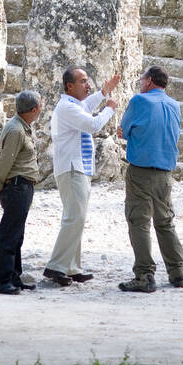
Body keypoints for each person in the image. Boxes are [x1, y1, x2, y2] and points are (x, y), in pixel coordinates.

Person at [43, 66, 119, 287]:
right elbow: (92, 124)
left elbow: (86, 105)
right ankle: (56, 266)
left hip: (79, 167)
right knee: (74, 218)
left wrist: (103, 93)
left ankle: (71, 267)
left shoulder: (73, 105)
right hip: (72, 168)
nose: (88, 85)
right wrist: (109, 108)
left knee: (76, 217)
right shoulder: (66, 107)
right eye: (83, 81)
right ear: (69, 86)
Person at [117, 65, 183, 293]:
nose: (140, 83)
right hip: (166, 172)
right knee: (165, 222)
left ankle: (144, 274)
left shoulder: (139, 101)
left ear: (148, 81)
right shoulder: (175, 105)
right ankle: (177, 272)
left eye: (141, 79)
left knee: (139, 221)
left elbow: (124, 130)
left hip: (141, 171)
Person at [0, 90, 42, 295]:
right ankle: (2, 281)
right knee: (9, 235)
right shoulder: (16, 130)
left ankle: (13, 276)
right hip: (16, 186)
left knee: (17, 234)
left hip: (23, 186)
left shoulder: (22, 127)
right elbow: (5, 160)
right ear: (33, 110)